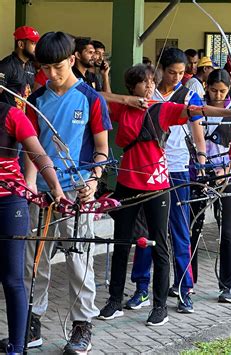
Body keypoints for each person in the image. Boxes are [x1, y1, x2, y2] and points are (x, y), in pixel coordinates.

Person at [96, 63, 231, 325]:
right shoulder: (123, 108)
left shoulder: (163, 109)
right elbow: (97, 96)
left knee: (160, 244)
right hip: (128, 182)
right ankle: (115, 300)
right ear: (132, 86)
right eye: (144, 82)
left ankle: (159, 306)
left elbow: (197, 110)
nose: (150, 86)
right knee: (121, 243)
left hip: (157, 184)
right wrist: (128, 99)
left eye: (152, 82)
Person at [23, 32, 111, 354]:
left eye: (58, 66)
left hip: (77, 193)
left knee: (78, 260)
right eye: (45, 68)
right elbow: (32, 149)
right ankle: (31, 324)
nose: (52, 74)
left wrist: (94, 180)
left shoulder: (91, 98)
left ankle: (82, 325)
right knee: (34, 262)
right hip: (42, 194)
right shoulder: (36, 99)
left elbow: (102, 150)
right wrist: (31, 185)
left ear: (72, 60)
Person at [127, 48, 206, 314]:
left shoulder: (189, 96)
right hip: (148, 172)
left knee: (180, 231)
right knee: (146, 234)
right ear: (161, 69)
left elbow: (197, 125)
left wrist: (203, 155)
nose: (176, 77)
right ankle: (141, 288)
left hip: (177, 169)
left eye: (181, 73)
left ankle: (184, 289)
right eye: (172, 72)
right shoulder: (147, 92)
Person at [0, 102, 65, 355]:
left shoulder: (11, 114)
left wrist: (57, 191)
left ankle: (17, 347)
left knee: (13, 278)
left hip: (9, 203)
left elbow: (38, 154)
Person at [190, 68, 231, 303]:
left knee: (227, 230)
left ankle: (229, 285)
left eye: (222, 91)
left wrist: (228, 170)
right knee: (193, 226)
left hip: (226, 174)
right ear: (207, 87)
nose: (217, 94)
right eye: (213, 90)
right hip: (198, 171)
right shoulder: (197, 107)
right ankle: (187, 281)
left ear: (230, 90)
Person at [0, 26, 40, 109]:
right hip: (8, 119)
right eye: (33, 43)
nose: (36, 48)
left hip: (24, 118)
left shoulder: (31, 66)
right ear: (21, 44)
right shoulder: (7, 65)